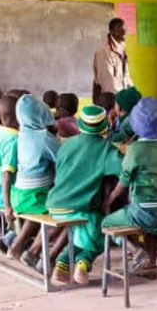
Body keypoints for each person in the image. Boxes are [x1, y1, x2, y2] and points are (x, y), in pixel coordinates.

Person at [46, 105, 124, 285]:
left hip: (55, 204)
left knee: (82, 229)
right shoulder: (106, 149)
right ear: (105, 127)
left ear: (80, 126)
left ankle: (62, 265)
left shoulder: (66, 145)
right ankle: (83, 263)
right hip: (80, 208)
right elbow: (125, 171)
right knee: (102, 229)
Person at [101, 97, 157, 269]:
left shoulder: (135, 149)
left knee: (106, 222)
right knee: (154, 225)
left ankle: (136, 251)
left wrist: (110, 199)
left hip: (143, 213)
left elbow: (124, 179)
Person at [5, 94, 61, 263]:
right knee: (65, 214)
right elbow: (63, 159)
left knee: (36, 209)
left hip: (19, 195)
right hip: (36, 195)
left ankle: (15, 245)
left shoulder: (22, 134)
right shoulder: (44, 138)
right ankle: (33, 250)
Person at [0, 96, 21, 254]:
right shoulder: (13, 139)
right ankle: (7, 241)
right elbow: (6, 174)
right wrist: (8, 206)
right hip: (7, 192)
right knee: (33, 206)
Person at [93, 18, 132, 101]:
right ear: (111, 31)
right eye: (119, 29)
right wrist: (118, 101)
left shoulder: (121, 48)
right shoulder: (105, 51)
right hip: (109, 99)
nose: (123, 32)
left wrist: (131, 92)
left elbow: (125, 75)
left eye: (124, 29)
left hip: (120, 96)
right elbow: (107, 82)